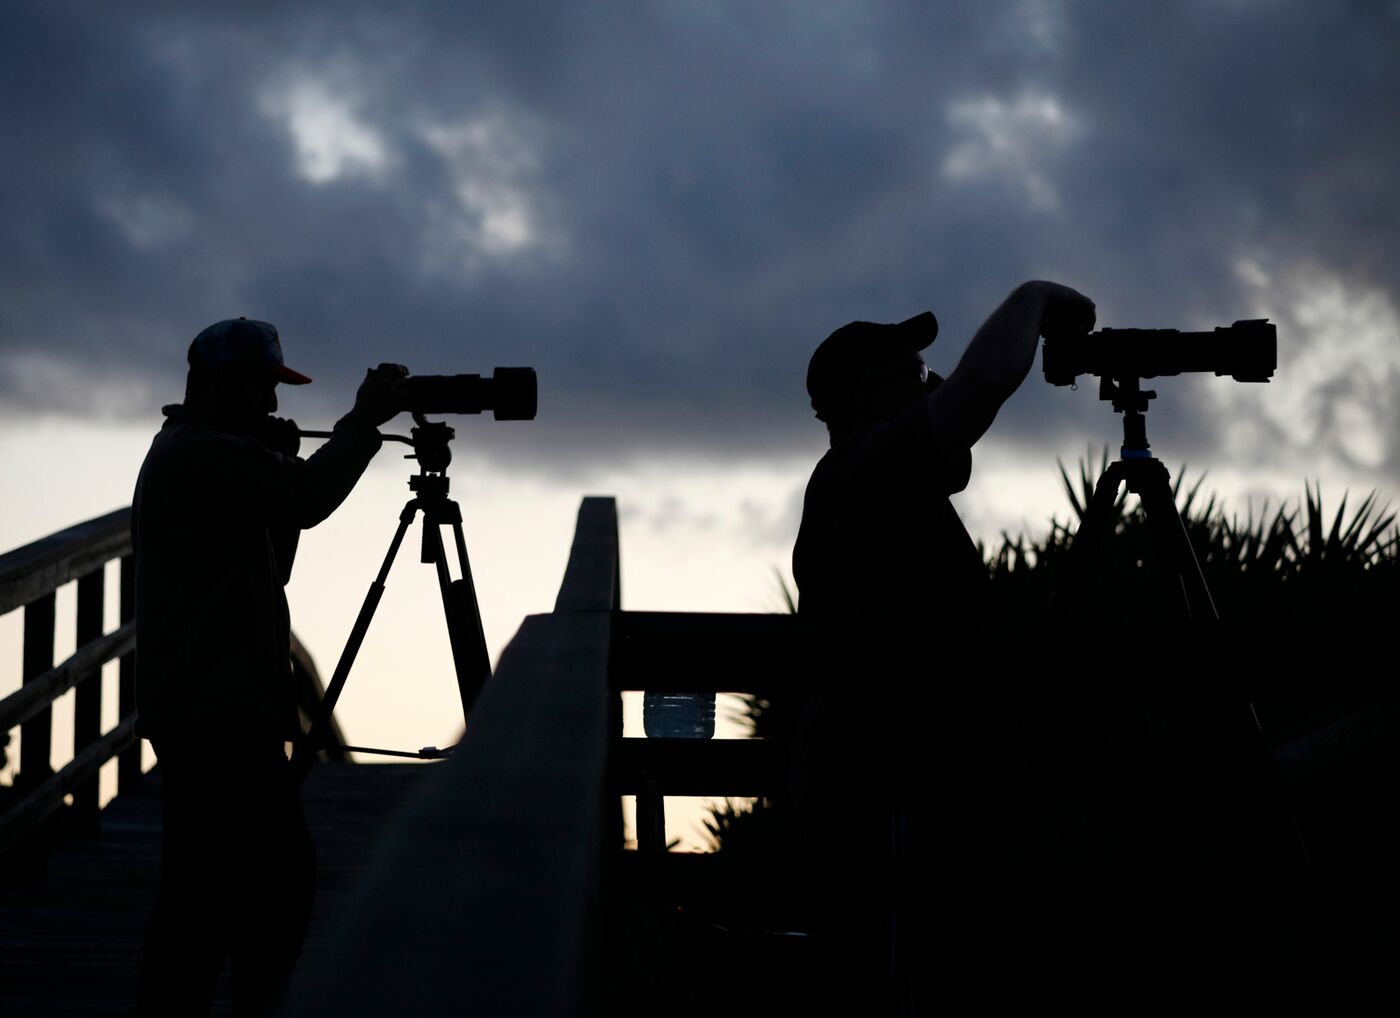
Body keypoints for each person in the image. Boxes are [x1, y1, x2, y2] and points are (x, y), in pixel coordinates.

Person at [787, 282, 1095, 1004]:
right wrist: (1036, 297)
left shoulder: (877, 483)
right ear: (863, 399)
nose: (930, 384)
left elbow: (963, 398)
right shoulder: (864, 474)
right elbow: (980, 386)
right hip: (887, 799)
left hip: (905, 791)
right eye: (908, 376)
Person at [132, 317, 407, 1016]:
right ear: (224, 385)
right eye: (265, 388)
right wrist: (362, 425)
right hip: (214, 709)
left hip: (213, 704)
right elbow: (309, 501)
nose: (276, 406)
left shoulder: (203, 453)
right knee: (265, 885)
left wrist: (274, 472)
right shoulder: (198, 456)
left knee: (211, 895)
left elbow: (274, 561)